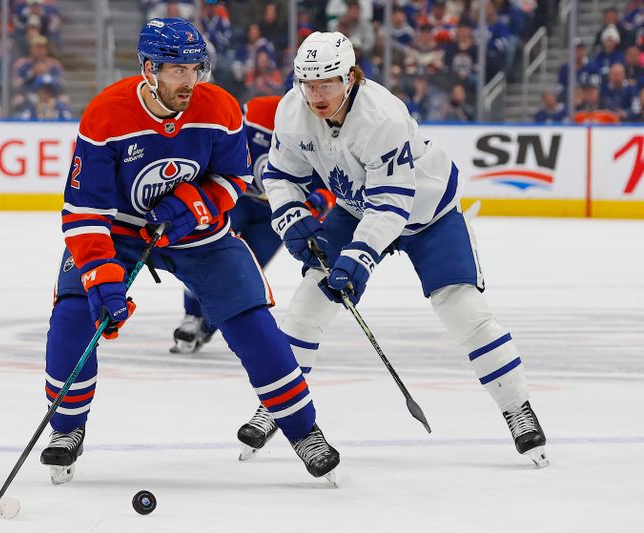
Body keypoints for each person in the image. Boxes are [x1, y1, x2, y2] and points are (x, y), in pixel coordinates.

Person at [39, 18, 340, 486]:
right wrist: (100, 273)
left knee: (252, 321)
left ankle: (304, 431)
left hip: (198, 233)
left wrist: (193, 204)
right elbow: (83, 212)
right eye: (177, 70)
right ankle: (66, 429)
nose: (189, 80)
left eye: (196, 68)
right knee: (74, 316)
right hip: (120, 232)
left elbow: (234, 179)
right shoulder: (105, 115)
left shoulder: (218, 107)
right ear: (148, 69)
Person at [235, 31, 549, 468]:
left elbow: (391, 205)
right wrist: (291, 216)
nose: (316, 95)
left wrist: (358, 258)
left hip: (427, 213)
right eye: (307, 84)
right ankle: (278, 405)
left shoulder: (382, 115)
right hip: (355, 207)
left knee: (463, 310)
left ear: (350, 77)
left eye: (326, 83)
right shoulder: (292, 111)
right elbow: (283, 175)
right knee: (307, 305)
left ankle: (517, 406)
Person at [171, 95, 336, 354]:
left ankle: (210, 325)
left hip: (277, 215)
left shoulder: (322, 127)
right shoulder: (257, 110)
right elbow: (222, 141)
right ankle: (192, 316)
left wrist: (317, 201)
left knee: (244, 270)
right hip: (236, 199)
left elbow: (331, 185)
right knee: (208, 254)